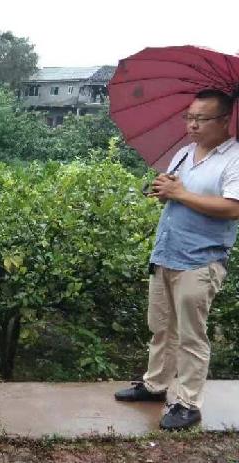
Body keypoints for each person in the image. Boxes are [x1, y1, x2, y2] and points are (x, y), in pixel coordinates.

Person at [115, 89, 239, 430]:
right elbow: (171, 196)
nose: (192, 125)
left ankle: (188, 403)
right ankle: (156, 385)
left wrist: (181, 193)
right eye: (189, 117)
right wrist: (163, 190)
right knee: (161, 327)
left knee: (190, 335)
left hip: (200, 260)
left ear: (224, 120)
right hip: (166, 253)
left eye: (201, 119)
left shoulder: (234, 158)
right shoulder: (184, 153)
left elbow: (233, 208)